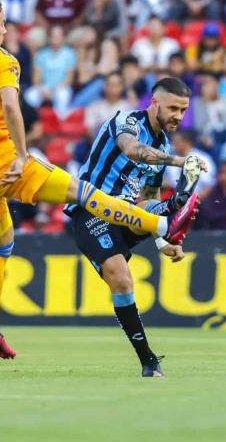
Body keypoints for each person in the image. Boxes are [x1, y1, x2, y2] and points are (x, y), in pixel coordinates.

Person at [0, 0, 199, 360]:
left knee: (1, 245)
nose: (5, 29)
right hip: (5, 162)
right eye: (1, 23)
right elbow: (11, 105)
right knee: (85, 194)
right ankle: (162, 227)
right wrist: (21, 154)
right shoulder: (2, 59)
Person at [64, 78, 205, 377]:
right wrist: (181, 162)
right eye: (173, 108)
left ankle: (177, 208)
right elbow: (130, 150)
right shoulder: (126, 121)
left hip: (126, 214)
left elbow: (149, 197)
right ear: (153, 103)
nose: (178, 116)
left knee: (163, 204)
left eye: (183, 110)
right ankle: (148, 360)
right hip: (92, 209)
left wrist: (160, 241)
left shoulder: (163, 144)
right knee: (122, 279)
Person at [24, 25, 75, 116]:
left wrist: (54, 91)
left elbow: (69, 79)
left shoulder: (69, 54)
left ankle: (59, 123)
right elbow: (36, 78)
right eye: (53, 35)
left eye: (59, 36)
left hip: (61, 87)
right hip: (44, 87)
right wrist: (42, 89)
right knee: (29, 96)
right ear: (49, 37)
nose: (56, 38)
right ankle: (33, 121)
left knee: (62, 96)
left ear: (63, 38)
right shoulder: (41, 54)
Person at [193, 72, 226, 162]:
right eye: (204, 85)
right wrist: (204, 103)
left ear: (217, 85)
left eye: (208, 84)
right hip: (204, 139)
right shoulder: (197, 103)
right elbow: (197, 126)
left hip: (224, 138)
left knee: (221, 147)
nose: (205, 87)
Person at [165, 129, 216, 199]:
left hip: (197, 201)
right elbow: (168, 182)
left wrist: (191, 203)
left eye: (176, 142)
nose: (172, 145)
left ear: (186, 142)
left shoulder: (204, 159)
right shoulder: (172, 158)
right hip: (173, 200)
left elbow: (208, 187)